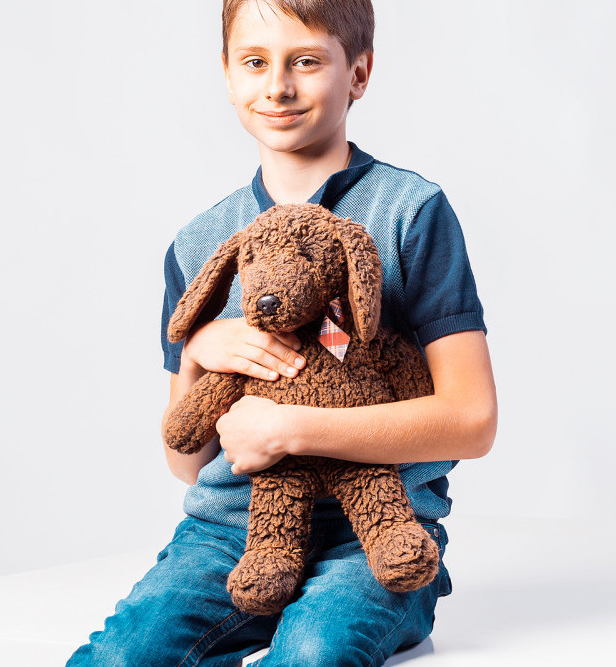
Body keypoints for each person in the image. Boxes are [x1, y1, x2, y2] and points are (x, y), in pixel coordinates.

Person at [66, 0, 497, 665]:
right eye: (254, 62)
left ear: (358, 73)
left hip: (376, 531)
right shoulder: (199, 243)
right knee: (122, 657)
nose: (277, 86)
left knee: (313, 653)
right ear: (227, 73)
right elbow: (186, 462)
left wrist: (292, 429)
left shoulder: (410, 212)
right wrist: (198, 355)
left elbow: (471, 420)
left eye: (306, 61)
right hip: (232, 534)